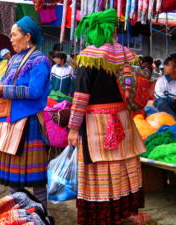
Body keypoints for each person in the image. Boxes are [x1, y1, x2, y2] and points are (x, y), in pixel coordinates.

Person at [68, 9, 146, 225]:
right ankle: (123, 213)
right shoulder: (128, 55)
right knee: (123, 166)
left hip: (96, 125)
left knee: (100, 170)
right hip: (123, 121)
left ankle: (104, 218)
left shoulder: (88, 57)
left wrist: (74, 128)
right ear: (112, 29)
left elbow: (81, 96)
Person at [0, 16, 50, 207]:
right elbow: (7, 82)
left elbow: (35, 91)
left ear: (27, 36)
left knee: (37, 178)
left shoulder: (40, 60)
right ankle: (16, 212)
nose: (11, 39)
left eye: (14, 35)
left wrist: (4, 90)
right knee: (14, 177)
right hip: (11, 121)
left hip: (29, 122)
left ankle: (40, 214)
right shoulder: (14, 59)